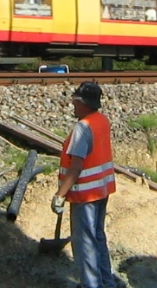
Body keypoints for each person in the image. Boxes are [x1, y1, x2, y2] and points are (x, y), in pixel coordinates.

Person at [51, 81, 118, 288]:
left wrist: (60, 195)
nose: (73, 106)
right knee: (98, 239)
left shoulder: (82, 127)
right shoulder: (101, 120)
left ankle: (91, 285)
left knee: (85, 244)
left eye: (76, 102)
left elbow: (76, 166)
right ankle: (107, 283)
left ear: (84, 103)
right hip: (101, 191)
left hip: (85, 196)